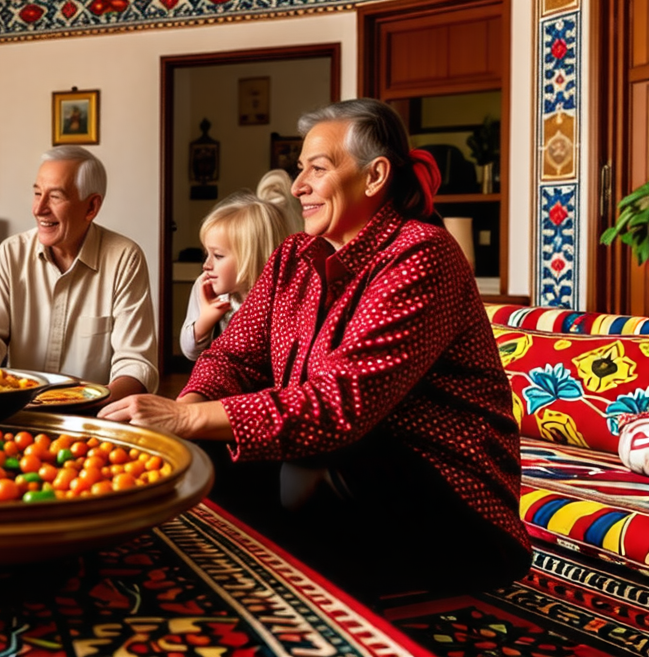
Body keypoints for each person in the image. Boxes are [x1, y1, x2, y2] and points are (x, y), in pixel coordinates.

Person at [101, 99, 530, 600]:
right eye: (299, 168)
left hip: (456, 511)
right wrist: (186, 412)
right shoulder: (293, 256)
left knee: (312, 464)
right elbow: (232, 356)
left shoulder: (422, 254)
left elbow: (341, 404)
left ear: (375, 177)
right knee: (194, 454)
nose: (298, 185)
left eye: (317, 169)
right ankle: (266, 577)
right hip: (338, 476)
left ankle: (300, 586)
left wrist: (186, 421)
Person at [0, 146, 158, 400]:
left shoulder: (124, 259)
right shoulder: (11, 254)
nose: (39, 209)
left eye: (55, 197)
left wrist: (91, 408)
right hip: (21, 410)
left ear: (91, 207)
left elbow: (135, 363)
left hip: (95, 416)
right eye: (37, 193)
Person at [180, 176, 295, 361]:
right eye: (206, 254)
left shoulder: (283, 297)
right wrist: (204, 321)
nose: (206, 265)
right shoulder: (205, 288)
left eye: (218, 256)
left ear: (251, 259)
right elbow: (190, 352)